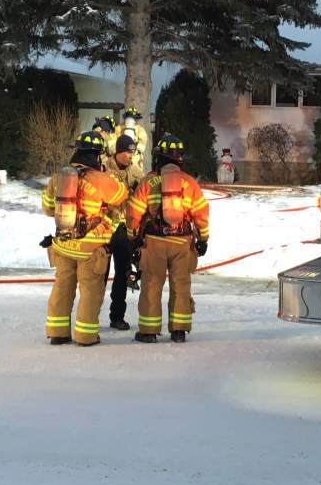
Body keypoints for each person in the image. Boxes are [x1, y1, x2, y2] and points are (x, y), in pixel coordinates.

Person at [40, 131, 128, 347]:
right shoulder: (100, 179)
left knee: (62, 288)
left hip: (63, 244)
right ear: (98, 155)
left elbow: (48, 209)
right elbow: (121, 195)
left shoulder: (59, 177)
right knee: (90, 291)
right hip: (89, 248)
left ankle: (58, 333)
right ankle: (86, 336)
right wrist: (109, 176)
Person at [125, 134, 210, 343]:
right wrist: (203, 239)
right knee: (181, 285)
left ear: (158, 157)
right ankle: (179, 330)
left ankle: (148, 331)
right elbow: (201, 213)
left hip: (154, 241)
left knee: (152, 285)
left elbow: (133, 213)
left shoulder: (148, 181)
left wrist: (132, 236)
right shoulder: (189, 182)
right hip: (182, 242)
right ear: (180, 159)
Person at [102, 133, 145, 331]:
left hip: (124, 230)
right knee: (98, 275)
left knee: (122, 274)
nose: (130, 156)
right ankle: (90, 317)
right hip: (103, 228)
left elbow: (143, 197)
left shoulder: (135, 171)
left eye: (133, 152)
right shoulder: (103, 169)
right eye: (127, 152)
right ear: (118, 152)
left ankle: (117, 317)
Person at [113, 107, 148, 171]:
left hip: (130, 157)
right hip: (132, 157)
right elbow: (143, 144)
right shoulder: (119, 128)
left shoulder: (139, 129)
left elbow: (142, 143)